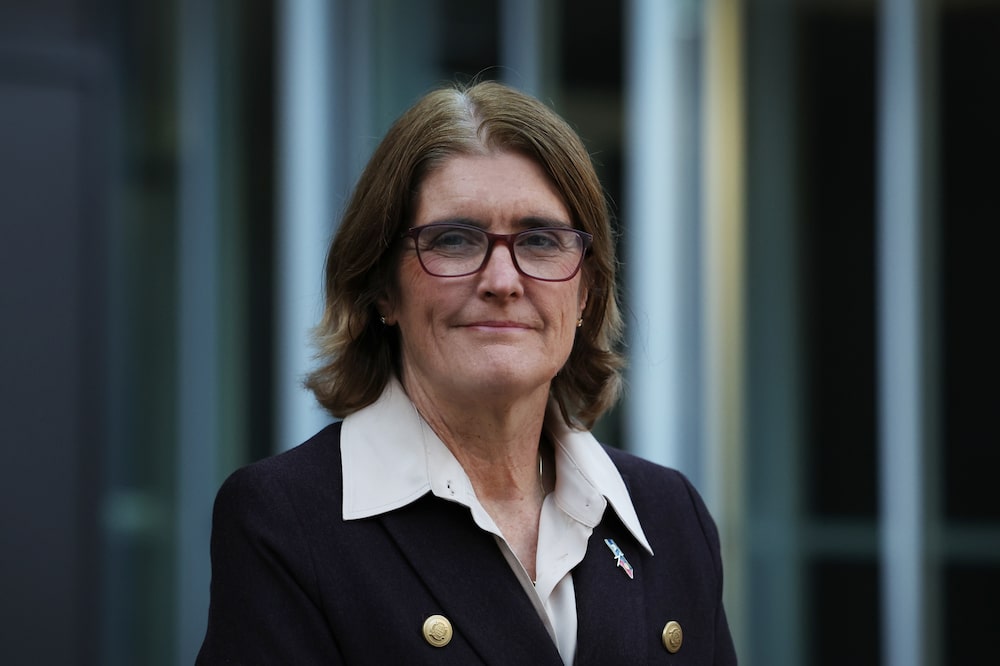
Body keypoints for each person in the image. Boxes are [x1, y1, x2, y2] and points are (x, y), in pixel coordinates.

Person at [197, 80, 736, 665]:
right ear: (383, 288)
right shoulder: (285, 520)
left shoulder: (670, 516)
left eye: (540, 240)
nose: (502, 281)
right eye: (454, 240)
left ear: (586, 292)